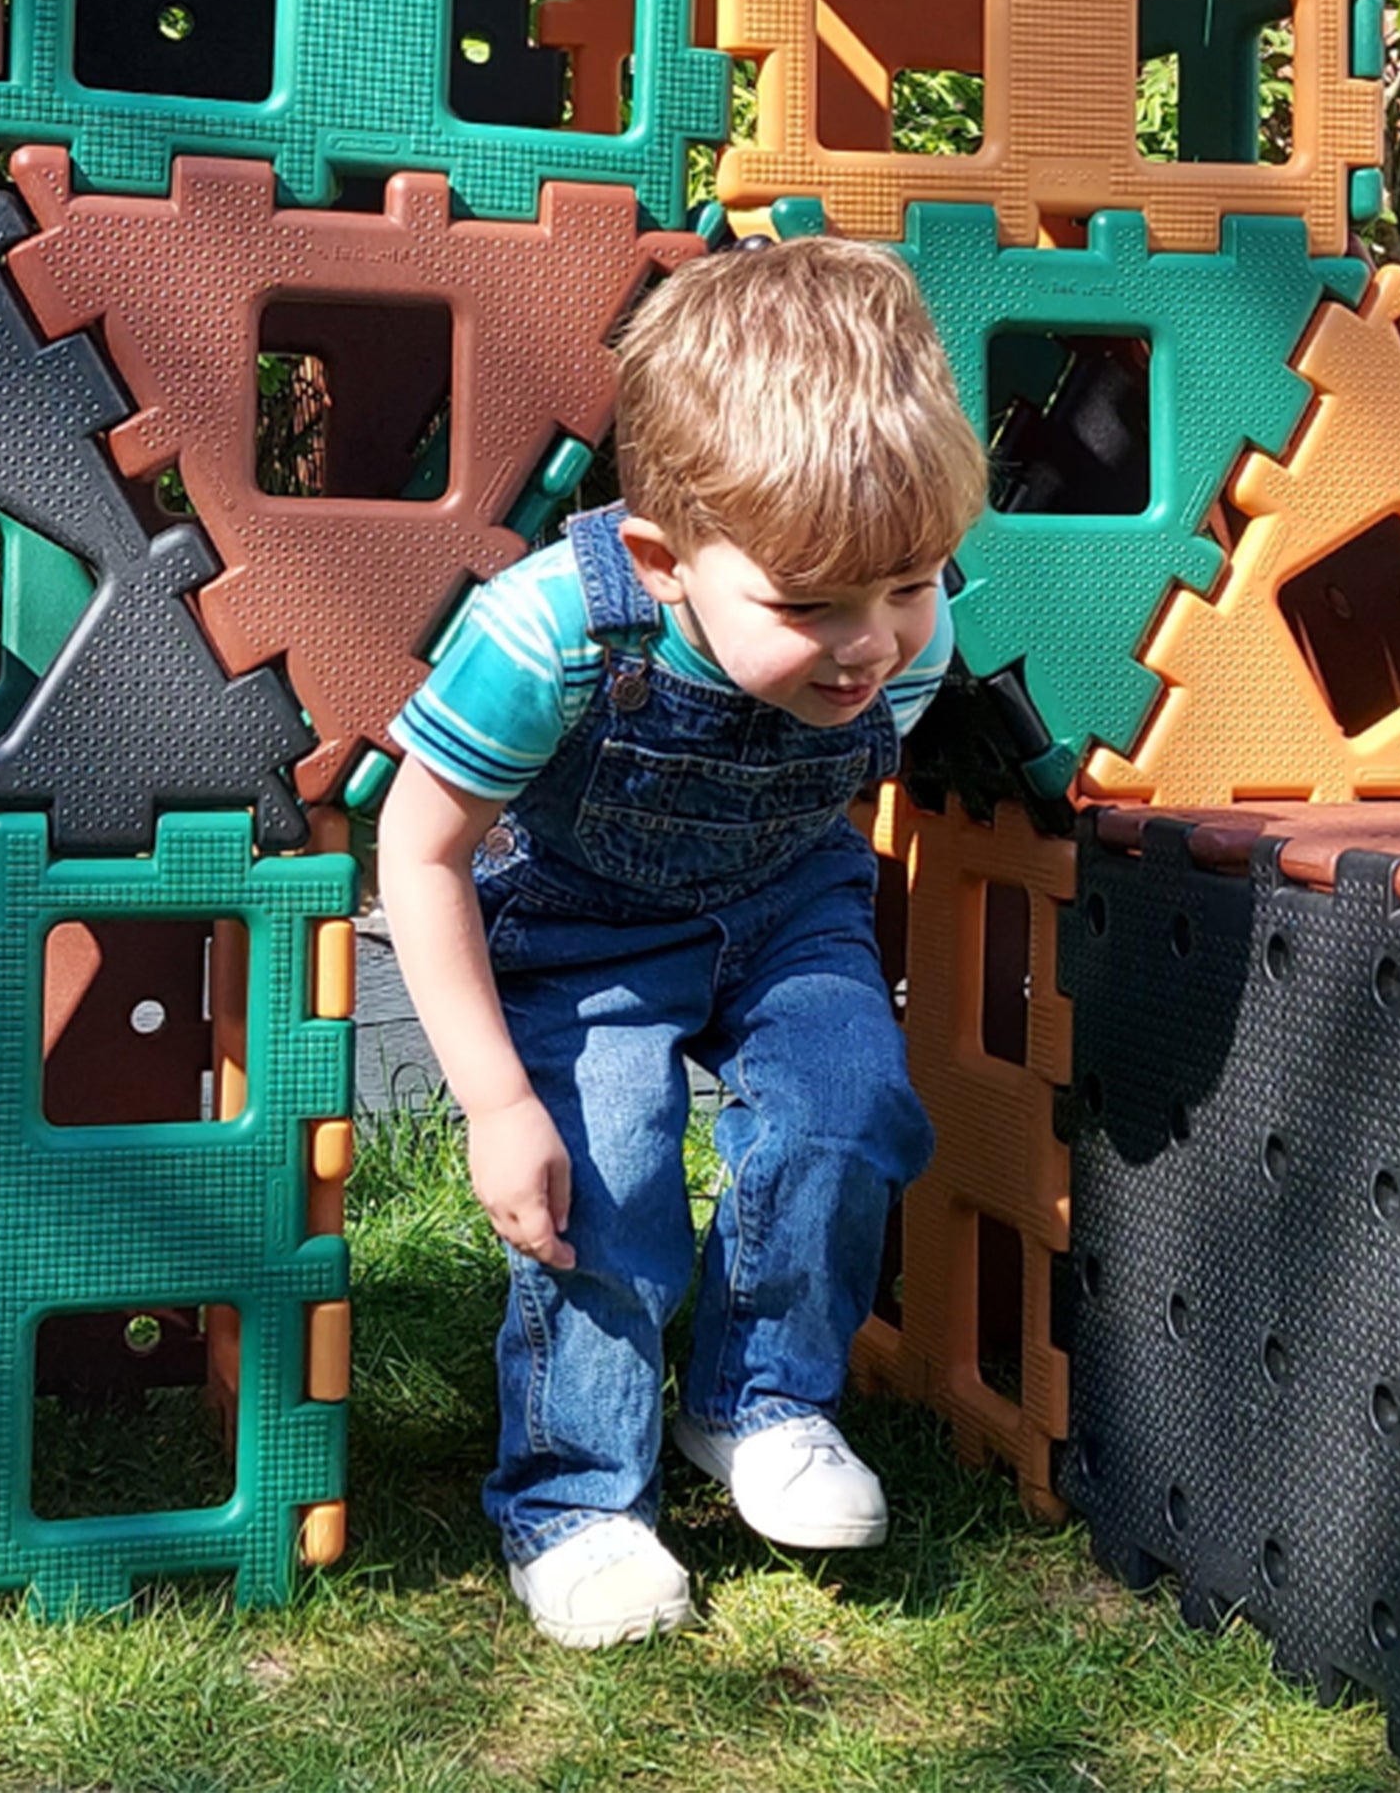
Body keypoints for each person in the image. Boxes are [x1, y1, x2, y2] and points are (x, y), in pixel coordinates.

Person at [376, 231, 990, 1648]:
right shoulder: (547, 633)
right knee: (609, 1174)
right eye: (809, 608)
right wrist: (493, 1101)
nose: (871, 646)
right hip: (583, 927)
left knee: (850, 1106)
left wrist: (886, 616)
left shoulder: (910, 635)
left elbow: (850, 771)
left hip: (787, 906)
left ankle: (763, 1405)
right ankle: (578, 1504)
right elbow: (419, 853)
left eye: (912, 583)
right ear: (665, 559)